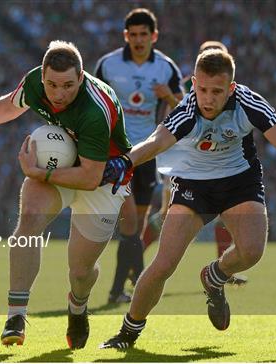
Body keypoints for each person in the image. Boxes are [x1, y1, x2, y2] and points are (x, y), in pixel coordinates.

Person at [99, 49, 276, 348]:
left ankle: (214, 276)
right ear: (193, 83)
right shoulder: (186, 110)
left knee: (252, 252)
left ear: (231, 88)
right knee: (163, 264)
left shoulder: (248, 103)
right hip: (194, 186)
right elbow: (156, 142)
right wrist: (126, 162)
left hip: (239, 184)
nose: (208, 98)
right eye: (202, 89)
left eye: (217, 91)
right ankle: (127, 333)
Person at [0, 40, 132, 350]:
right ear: (42, 77)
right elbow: (8, 106)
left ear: (81, 78)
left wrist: (38, 173)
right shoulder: (34, 83)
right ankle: (16, 315)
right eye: (52, 85)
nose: (59, 94)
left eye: (69, 85)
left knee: (81, 272)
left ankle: (78, 307)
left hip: (102, 179)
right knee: (28, 220)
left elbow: (89, 176)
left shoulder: (95, 111)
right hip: (60, 164)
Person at [94, 8, 183, 303]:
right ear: (126, 36)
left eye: (144, 34)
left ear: (154, 36)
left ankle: (117, 291)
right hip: (116, 153)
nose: (138, 39)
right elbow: (92, 102)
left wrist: (167, 96)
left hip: (148, 153)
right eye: (133, 34)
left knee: (137, 225)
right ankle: (143, 282)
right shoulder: (108, 65)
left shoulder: (166, 68)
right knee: (129, 220)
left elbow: (186, 107)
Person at [142, 40, 248, 285]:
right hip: (184, 161)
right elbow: (174, 119)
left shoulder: (224, 93)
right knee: (165, 217)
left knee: (223, 215)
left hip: (212, 164)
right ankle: (136, 261)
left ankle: (224, 271)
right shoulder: (194, 91)